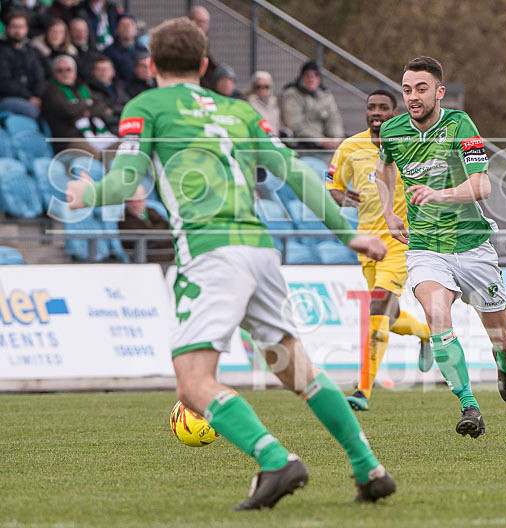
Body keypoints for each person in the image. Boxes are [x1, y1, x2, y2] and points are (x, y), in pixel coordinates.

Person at [65, 16, 396, 509]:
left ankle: (274, 458)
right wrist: (349, 234)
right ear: (203, 66)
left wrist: (89, 191)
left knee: (194, 383)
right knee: (294, 366)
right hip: (260, 250)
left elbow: (128, 177)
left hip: (209, 253)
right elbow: (294, 173)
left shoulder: (145, 105)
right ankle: (368, 466)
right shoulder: (239, 112)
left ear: (152, 65)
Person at [377, 57, 506, 438]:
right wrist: (390, 214)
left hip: (472, 246)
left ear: (439, 92)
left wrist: (438, 195)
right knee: (437, 315)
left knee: (502, 339)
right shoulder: (392, 131)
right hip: (426, 247)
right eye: (407, 90)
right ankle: (468, 405)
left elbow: (483, 186)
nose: (413, 97)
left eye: (421, 89)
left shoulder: (459, 124)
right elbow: (384, 169)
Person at [327, 89, 432, 411]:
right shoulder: (350, 147)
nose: (376, 112)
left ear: (394, 112)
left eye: (383, 108)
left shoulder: (411, 143)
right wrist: (345, 199)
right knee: (388, 314)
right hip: (367, 245)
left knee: (377, 309)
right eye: (371, 107)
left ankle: (363, 390)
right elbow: (334, 188)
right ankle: (425, 332)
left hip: (401, 244)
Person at [42, 54, 112, 158]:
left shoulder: (82, 87)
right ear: (54, 74)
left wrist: (86, 110)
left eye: (68, 70)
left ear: (74, 72)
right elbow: (68, 111)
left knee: (123, 148)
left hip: (95, 135)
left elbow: (101, 105)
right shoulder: (51, 91)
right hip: (69, 141)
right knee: (98, 156)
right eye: (59, 71)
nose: (64, 73)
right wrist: (86, 103)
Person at [280, 61, 343, 150]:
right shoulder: (291, 94)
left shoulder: (326, 95)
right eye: (307, 75)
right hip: (301, 143)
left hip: (325, 143)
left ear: (319, 79)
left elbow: (335, 119)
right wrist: (321, 140)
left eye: (315, 75)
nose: (311, 78)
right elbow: (295, 125)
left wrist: (336, 138)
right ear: (301, 77)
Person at [0, 9, 46, 120]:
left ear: (27, 29)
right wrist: (29, 97)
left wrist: (38, 96)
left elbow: (39, 76)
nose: (18, 31)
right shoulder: (1, 51)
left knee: (55, 105)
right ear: (6, 28)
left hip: (32, 98)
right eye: (14, 27)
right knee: (33, 111)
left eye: (21, 27)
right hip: (7, 98)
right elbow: (4, 83)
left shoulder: (31, 50)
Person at [117, 185, 173, 263]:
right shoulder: (124, 219)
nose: (135, 204)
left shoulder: (151, 211)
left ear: (145, 200)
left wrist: (154, 234)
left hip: (167, 257)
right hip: (144, 260)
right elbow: (144, 237)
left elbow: (167, 226)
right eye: (131, 201)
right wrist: (160, 234)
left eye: (139, 201)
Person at [102, 13, 146, 89]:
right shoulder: (109, 52)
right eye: (123, 25)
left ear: (135, 28)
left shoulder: (144, 50)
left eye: (130, 24)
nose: (127, 28)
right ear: (117, 28)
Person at [88, 54, 127, 133]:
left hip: (125, 126)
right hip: (106, 132)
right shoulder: (89, 89)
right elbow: (101, 113)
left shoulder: (119, 87)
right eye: (99, 69)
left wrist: (113, 110)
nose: (103, 72)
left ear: (113, 71)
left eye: (106, 69)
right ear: (93, 72)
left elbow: (128, 107)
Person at [187, 5, 218, 89]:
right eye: (199, 21)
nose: (202, 25)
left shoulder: (204, 40)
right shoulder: (184, 40)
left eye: (204, 22)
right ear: (190, 21)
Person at [68, 16, 94, 81]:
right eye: (77, 31)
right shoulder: (68, 51)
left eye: (84, 31)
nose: (81, 35)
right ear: (69, 32)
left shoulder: (92, 47)